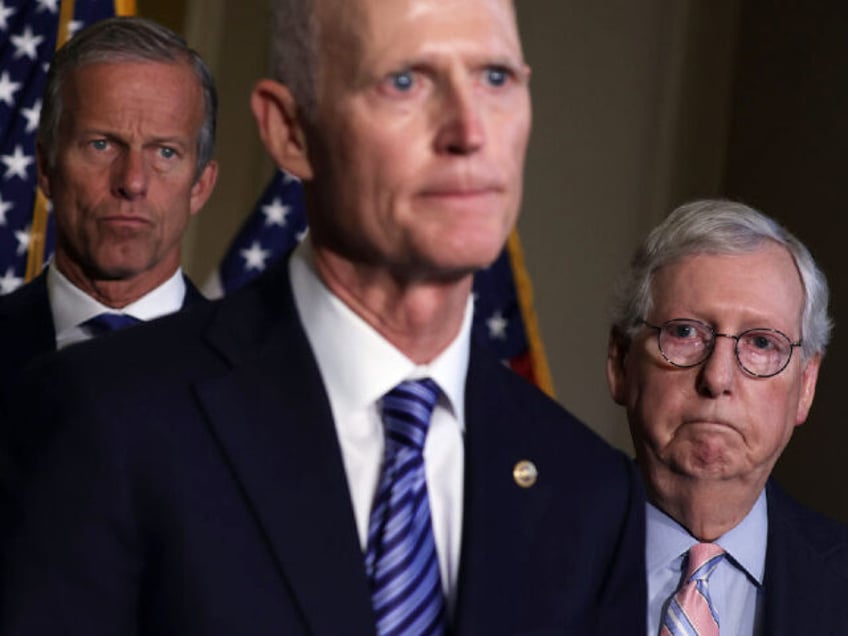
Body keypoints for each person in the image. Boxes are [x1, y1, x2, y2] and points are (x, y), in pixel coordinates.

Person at [3, 1, 645, 633]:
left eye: (496, 77)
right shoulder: (107, 410)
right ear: (291, 131)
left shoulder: (590, 494)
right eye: (406, 81)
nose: (470, 131)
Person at [606, 199, 848, 635]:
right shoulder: (517, 556)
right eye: (684, 332)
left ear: (806, 385)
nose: (717, 378)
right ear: (620, 362)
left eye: (761, 344)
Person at [0, 16, 217, 416]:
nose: (132, 182)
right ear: (47, 168)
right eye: (101, 145)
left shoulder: (261, 380)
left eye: (165, 152)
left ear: (200, 185)